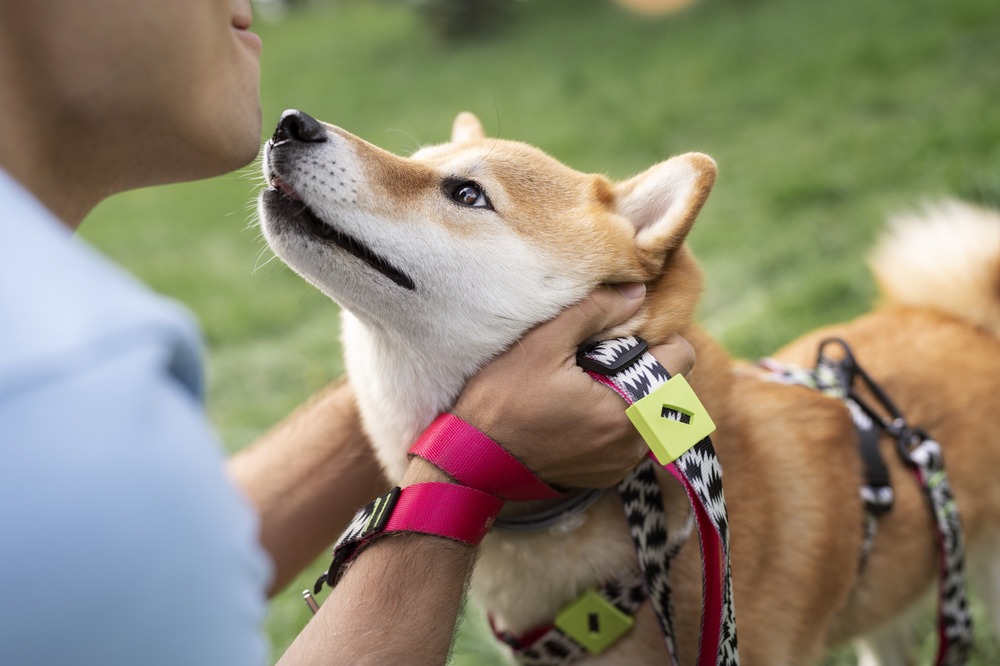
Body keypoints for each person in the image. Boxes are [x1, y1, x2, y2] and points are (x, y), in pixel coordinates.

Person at [0, 1, 695, 664]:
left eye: (462, 192)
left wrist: (451, 385)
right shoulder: (55, 397)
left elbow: (157, 560)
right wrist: (467, 463)